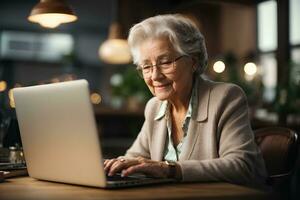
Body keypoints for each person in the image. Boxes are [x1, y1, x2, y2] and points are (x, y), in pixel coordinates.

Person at [104, 14, 267, 189]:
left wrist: (171, 170)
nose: (155, 76)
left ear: (193, 62)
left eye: (165, 62)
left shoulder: (226, 97)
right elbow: (134, 159)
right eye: (146, 66)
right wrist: (116, 165)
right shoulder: (154, 107)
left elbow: (243, 166)